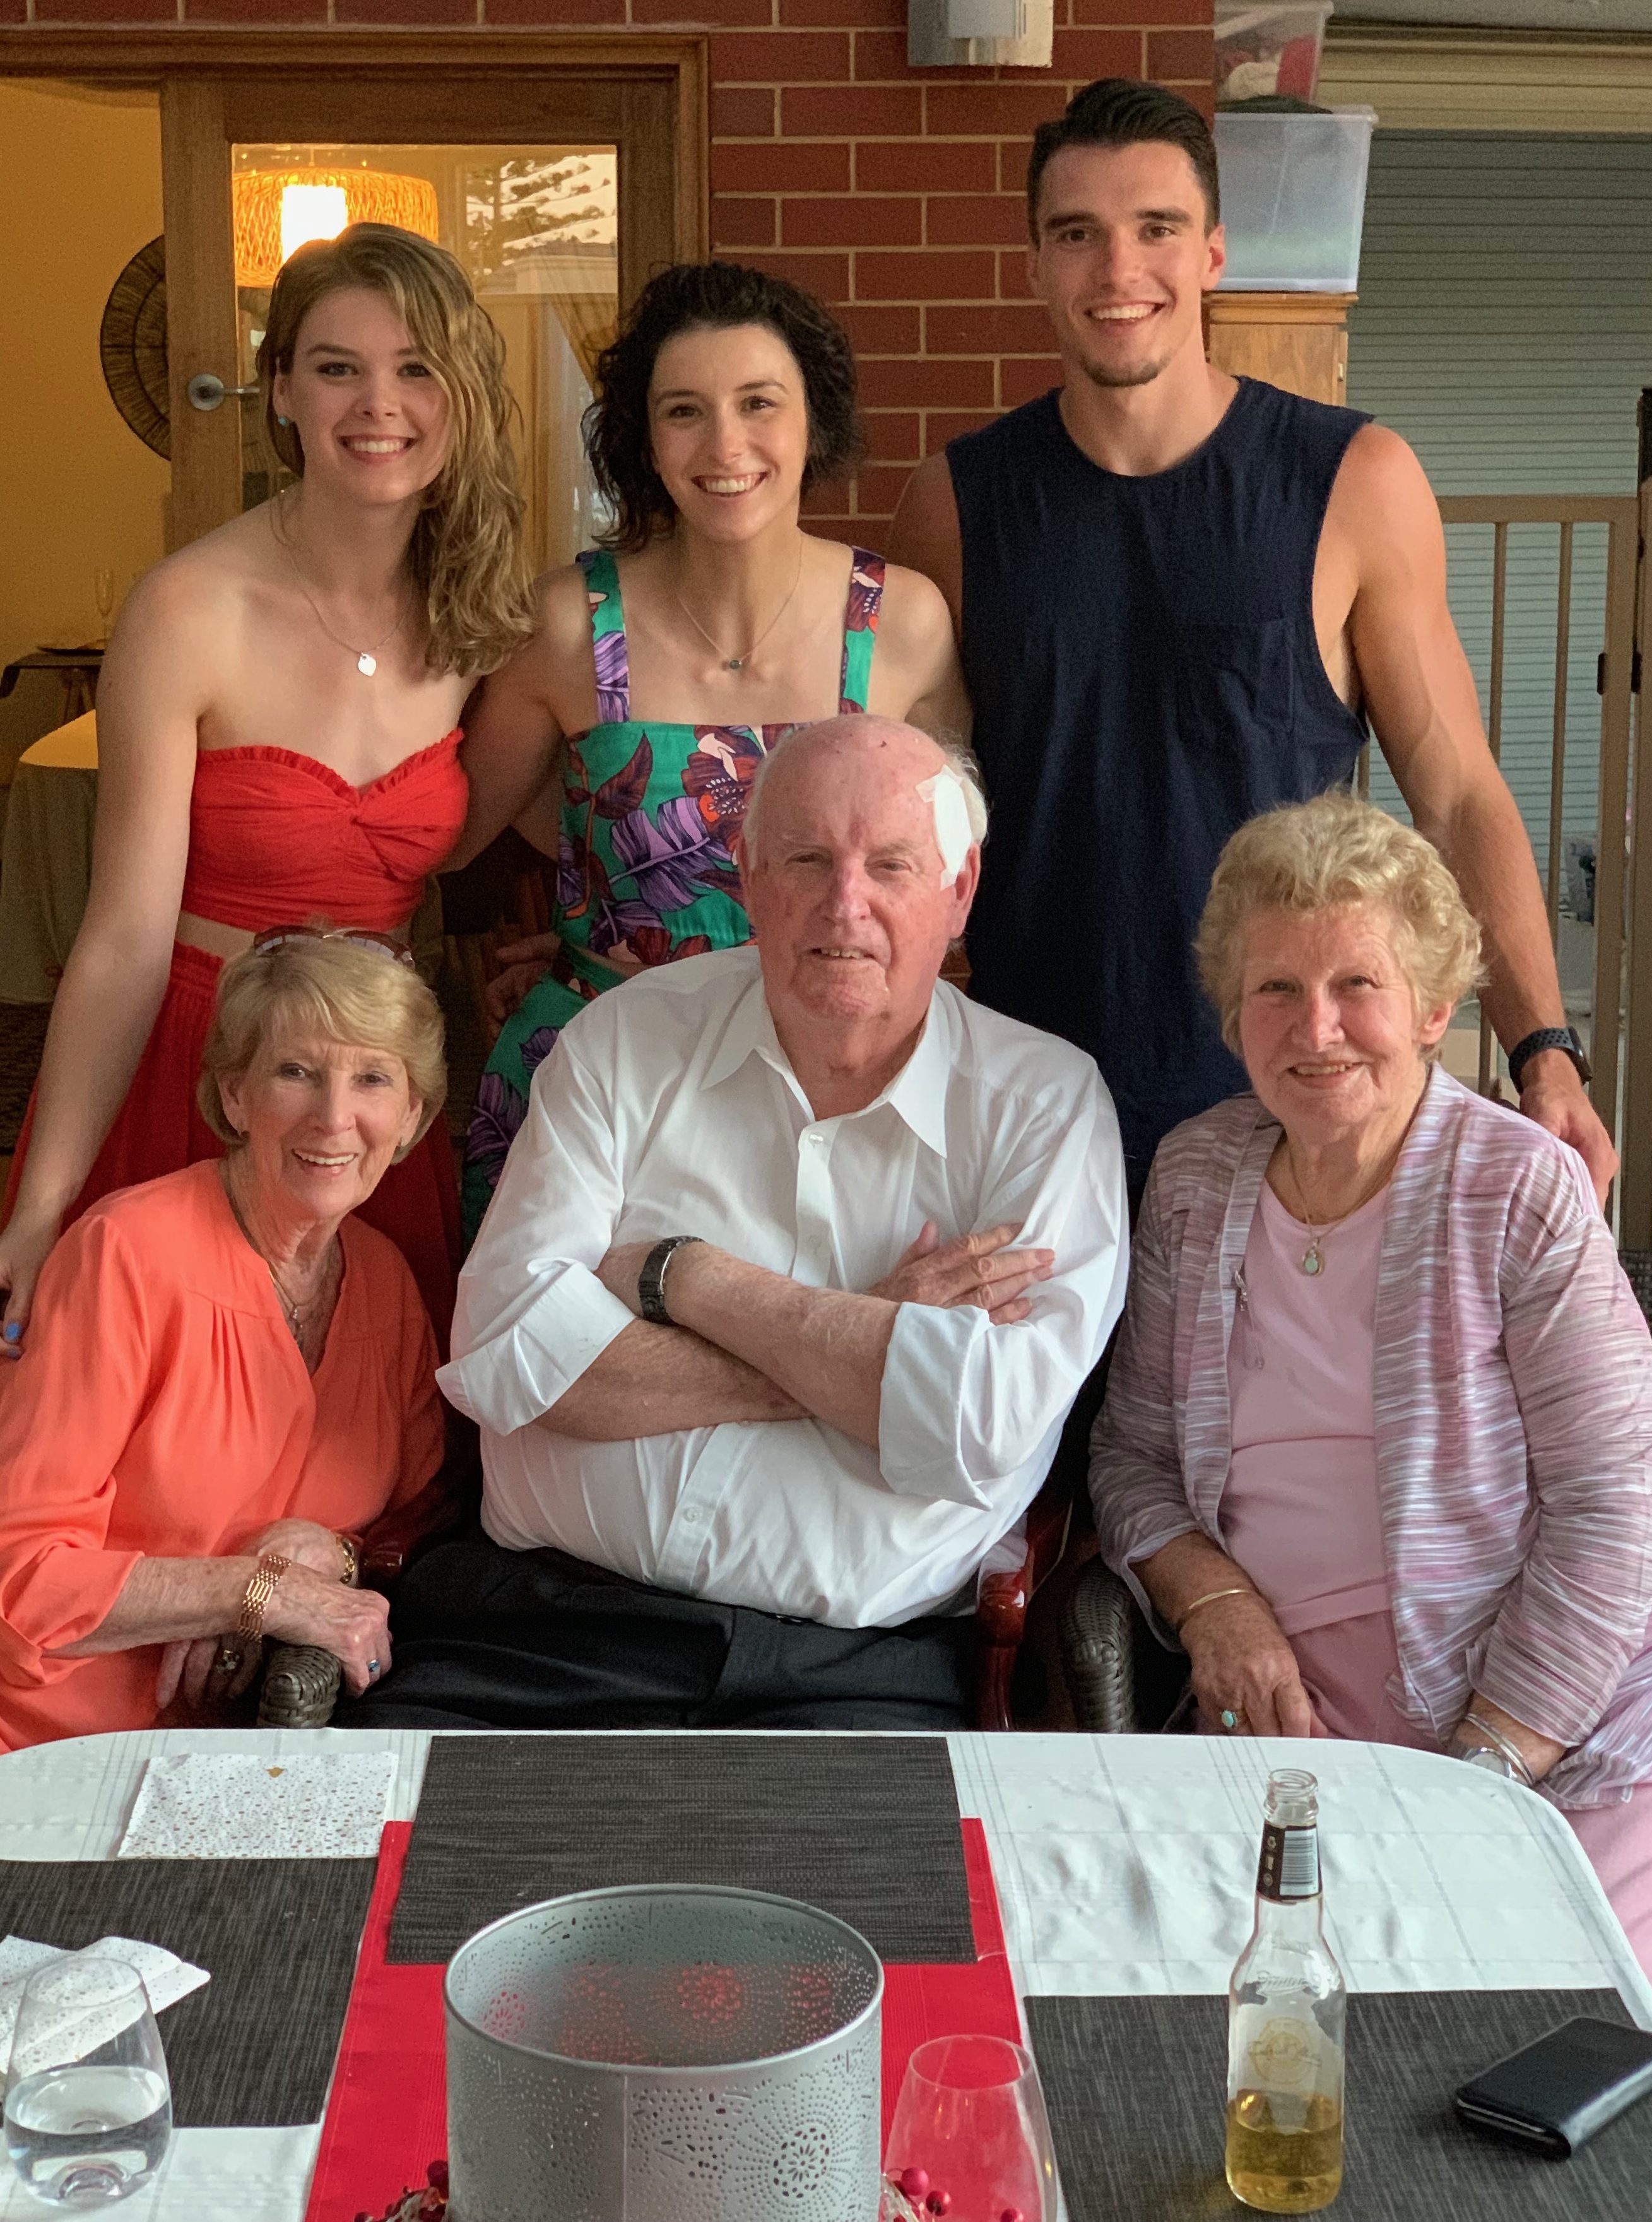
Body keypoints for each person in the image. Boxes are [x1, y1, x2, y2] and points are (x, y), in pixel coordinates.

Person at [888, 77, 1614, 1212]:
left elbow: (1458, 792)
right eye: (1077, 234)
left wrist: (1544, 1053)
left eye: (1157, 228)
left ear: (1215, 254)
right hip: (1030, 1105)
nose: (1118, 270)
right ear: (1033, 264)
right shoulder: (953, 506)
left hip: (1300, 1098)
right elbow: (906, 821)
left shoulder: (1354, 481)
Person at [348, 716, 1127, 1732]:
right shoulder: (624, 1040)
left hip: (851, 1675)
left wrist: (687, 1279)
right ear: (749, 879)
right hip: (541, 1635)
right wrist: (866, 1340)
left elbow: (974, 1427)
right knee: (379, 1830)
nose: (845, 904)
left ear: (960, 889)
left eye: (891, 865)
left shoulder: (1046, 1107)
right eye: (806, 859)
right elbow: (507, 1354)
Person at [1090, 792, 1652, 1999]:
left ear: (1436, 1008)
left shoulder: (1519, 1191)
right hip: (1291, 1721)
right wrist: (1217, 1606)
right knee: (1238, 2002)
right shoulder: (1194, 1177)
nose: (1319, 1027)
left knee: (1540, 2013)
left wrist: (1482, 1774)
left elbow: (1617, 1509)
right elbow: (1132, 1456)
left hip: (1555, 1721)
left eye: (1359, 984)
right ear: (1232, 1014)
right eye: (1277, 988)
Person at [0, 222, 532, 1348]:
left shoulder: (481, 614)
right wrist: (42, 1203)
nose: (377, 404)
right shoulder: (188, 610)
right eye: (337, 367)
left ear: (462, 396)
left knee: (364, 1427)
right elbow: (123, 940)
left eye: (416, 368)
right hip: (209, 1069)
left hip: (374, 1095)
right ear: (281, 389)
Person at [447, 259, 967, 1241]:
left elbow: (944, 875)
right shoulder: (568, 624)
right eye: (684, 411)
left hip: (828, 1099)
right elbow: (452, 832)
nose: (725, 445)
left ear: (813, 420)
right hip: (598, 1091)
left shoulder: (901, 623)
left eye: (758, 403)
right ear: (644, 439)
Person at [0, 931, 450, 1752]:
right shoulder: (125, 1256)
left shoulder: (386, 1283)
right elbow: (17, 1575)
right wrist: (254, 1591)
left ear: (411, 1116)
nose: (334, 1117)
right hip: (58, 1742)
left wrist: (332, 1555)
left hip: (253, 1747)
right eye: (296, 1072)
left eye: (373, 1079)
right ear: (235, 1095)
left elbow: (421, 1522)